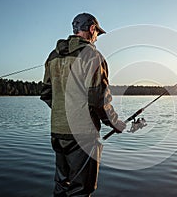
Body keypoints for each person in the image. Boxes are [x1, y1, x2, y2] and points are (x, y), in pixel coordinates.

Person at [40, 13, 126, 197]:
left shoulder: (53, 56)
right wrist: (115, 123)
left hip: (58, 132)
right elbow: (98, 99)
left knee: (62, 186)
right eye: (97, 34)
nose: (96, 38)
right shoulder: (92, 55)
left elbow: (46, 93)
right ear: (92, 29)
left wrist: (63, 112)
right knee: (81, 190)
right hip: (82, 135)